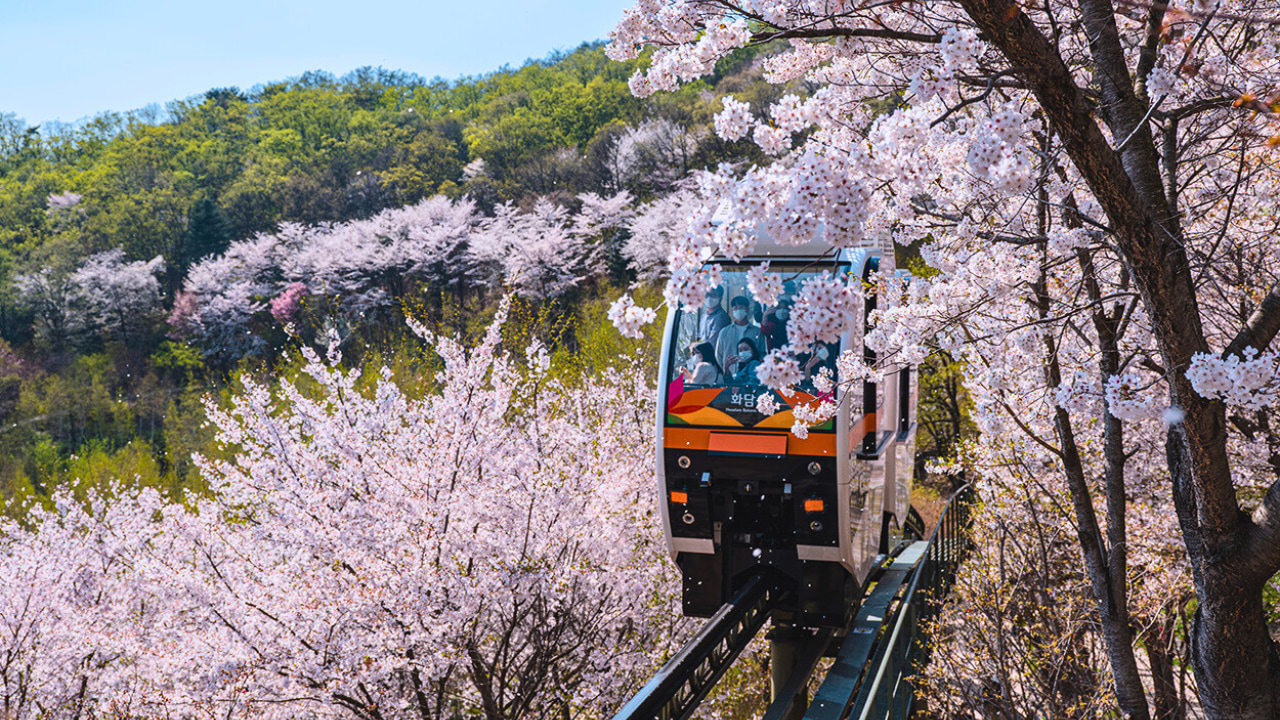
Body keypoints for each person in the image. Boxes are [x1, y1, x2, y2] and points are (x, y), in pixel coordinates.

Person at [715, 296, 765, 373]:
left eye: (741, 307)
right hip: (730, 376)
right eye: (735, 308)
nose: (738, 310)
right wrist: (725, 371)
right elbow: (719, 355)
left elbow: (762, 353)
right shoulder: (724, 332)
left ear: (747, 309)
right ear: (732, 310)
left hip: (751, 376)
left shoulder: (757, 332)